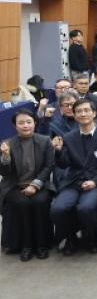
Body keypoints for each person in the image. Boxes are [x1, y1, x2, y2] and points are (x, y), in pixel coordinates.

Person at [50, 99, 97, 255]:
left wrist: (95, 181)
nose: (83, 114)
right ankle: (71, 238)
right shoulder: (68, 137)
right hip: (74, 182)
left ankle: (91, 238)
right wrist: (58, 151)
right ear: (74, 115)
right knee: (58, 209)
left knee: (86, 208)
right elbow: (64, 164)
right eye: (79, 111)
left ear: (94, 113)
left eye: (87, 110)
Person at [0, 110, 55, 261]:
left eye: (29, 122)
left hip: (40, 184)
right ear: (14, 126)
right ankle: (26, 245)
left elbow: (48, 167)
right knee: (22, 203)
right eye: (21, 123)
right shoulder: (7, 143)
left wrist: (35, 185)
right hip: (14, 185)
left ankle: (42, 245)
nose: (25, 125)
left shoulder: (45, 141)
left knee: (39, 202)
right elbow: (4, 173)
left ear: (35, 123)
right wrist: (5, 156)